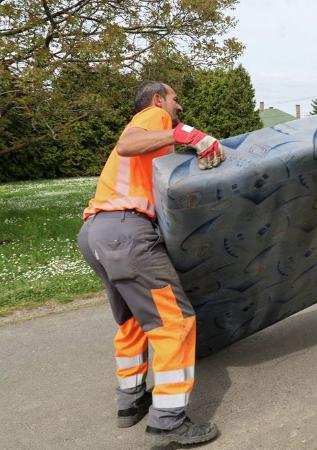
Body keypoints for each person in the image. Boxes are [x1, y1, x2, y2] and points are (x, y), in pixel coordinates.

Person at [77, 81, 226, 448]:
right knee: (173, 321)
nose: (179, 106)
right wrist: (192, 136)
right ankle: (168, 422)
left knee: (132, 321)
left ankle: (130, 401)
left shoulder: (154, 145)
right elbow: (126, 145)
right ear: (158, 99)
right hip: (126, 234)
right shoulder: (154, 116)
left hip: (97, 233)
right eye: (175, 99)